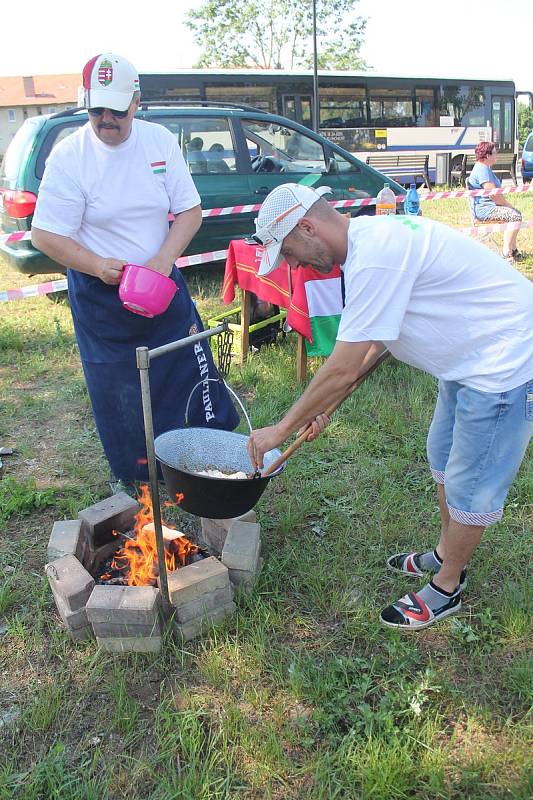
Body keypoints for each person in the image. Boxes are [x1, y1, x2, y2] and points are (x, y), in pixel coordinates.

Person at [246, 183, 533, 631]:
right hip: (466, 359)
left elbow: (340, 367)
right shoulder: (366, 243)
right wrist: (327, 404)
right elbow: (372, 342)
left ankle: (447, 585)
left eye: (289, 252)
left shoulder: (374, 254)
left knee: (469, 484)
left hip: (503, 360)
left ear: (307, 227)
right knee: (441, 454)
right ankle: (444, 550)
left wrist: (278, 431)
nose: (293, 265)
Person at [32, 53, 238, 490]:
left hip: (160, 283)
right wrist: (96, 265)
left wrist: (163, 259)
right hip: (100, 293)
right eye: (96, 110)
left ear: (136, 102)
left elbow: (189, 211)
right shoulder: (70, 157)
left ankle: (196, 463)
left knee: (185, 372)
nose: (106, 120)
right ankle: (134, 479)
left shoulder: (158, 141)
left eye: (117, 110)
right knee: (118, 391)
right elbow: (45, 236)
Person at [468, 141, 523, 263]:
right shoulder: (482, 170)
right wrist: (509, 205)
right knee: (514, 216)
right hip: (486, 211)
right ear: (487, 156)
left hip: (489, 207)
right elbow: (494, 195)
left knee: (515, 214)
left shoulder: (485, 168)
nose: (496, 155)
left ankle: (514, 250)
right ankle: (506, 252)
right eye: (494, 153)